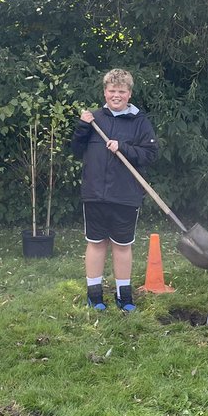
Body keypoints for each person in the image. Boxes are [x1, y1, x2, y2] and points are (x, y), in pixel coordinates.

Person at [70, 68, 158, 312]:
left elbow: (150, 155)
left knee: (122, 245)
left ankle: (124, 296)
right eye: (112, 91)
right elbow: (77, 150)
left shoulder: (140, 122)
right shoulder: (94, 118)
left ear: (129, 94)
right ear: (105, 92)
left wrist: (124, 147)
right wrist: (82, 127)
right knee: (96, 242)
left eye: (121, 91)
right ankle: (94, 295)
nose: (116, 95)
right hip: (95, 193)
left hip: (126, 194)